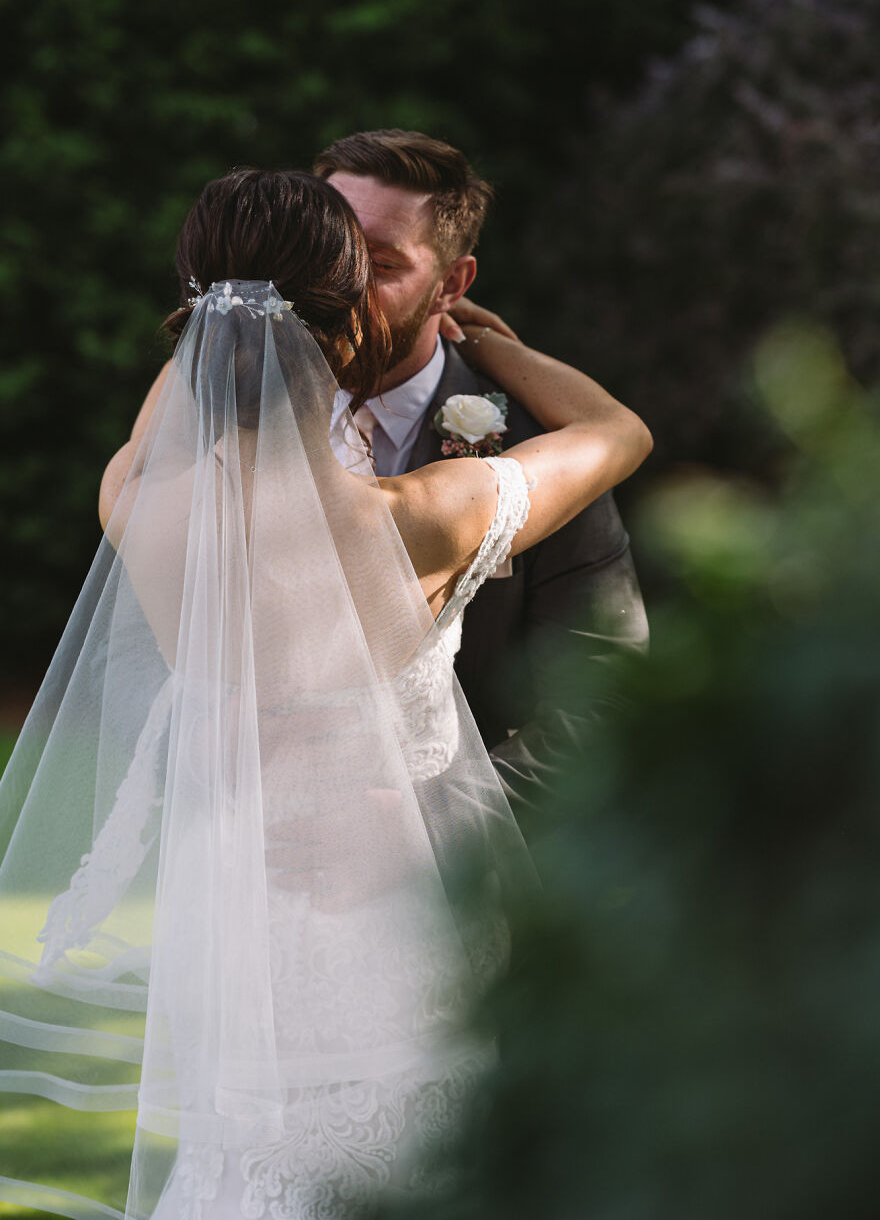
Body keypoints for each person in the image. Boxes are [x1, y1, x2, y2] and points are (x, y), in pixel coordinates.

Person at [0, 169, 650, 1220]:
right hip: (399, 937)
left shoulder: (139, 505)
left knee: (245, 1172)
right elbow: (619, 432)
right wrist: (496, 346)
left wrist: (228, 306)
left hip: (244, 930)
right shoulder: (427, 519)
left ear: (198, 326)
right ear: (348, 328)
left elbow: (178, 396)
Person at [314, 129, 649, 819]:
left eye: (378, 264)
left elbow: (607, 692)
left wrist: (437, 826)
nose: (337, 288)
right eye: (323, 253)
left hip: (466, 890)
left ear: (453, 285)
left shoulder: (543, 446)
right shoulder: (235, 437)